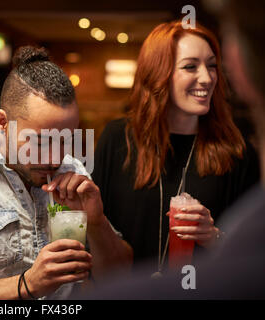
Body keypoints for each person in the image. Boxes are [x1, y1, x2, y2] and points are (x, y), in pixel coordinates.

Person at [78, 0, 265, 299]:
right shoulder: (118, 138)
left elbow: (256, 255)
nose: (207, 78)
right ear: (159, 73)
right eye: (191, 66)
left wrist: (214, 236)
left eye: (212, 66)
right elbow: (97, 233)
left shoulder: (236, 148)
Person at [0, 46, 133, 300]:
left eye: (65, 140)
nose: (55, 158)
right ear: (2, 123)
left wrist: (97, 223)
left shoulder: (74, 171)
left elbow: (119, 274)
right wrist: (27, 284)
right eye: (40, 142)